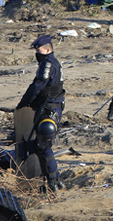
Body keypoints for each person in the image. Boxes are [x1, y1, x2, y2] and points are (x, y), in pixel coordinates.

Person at [16, 35, 66, 192]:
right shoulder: (52, 62)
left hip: (50, 108)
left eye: (39, 50)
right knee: (40, 144)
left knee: (44, 144)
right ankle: (50, 179)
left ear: (47, 49)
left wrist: (24, 102)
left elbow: (38, 86)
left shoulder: (47, 64)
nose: (37, 53)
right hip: (49, 106)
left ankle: (54, 179)